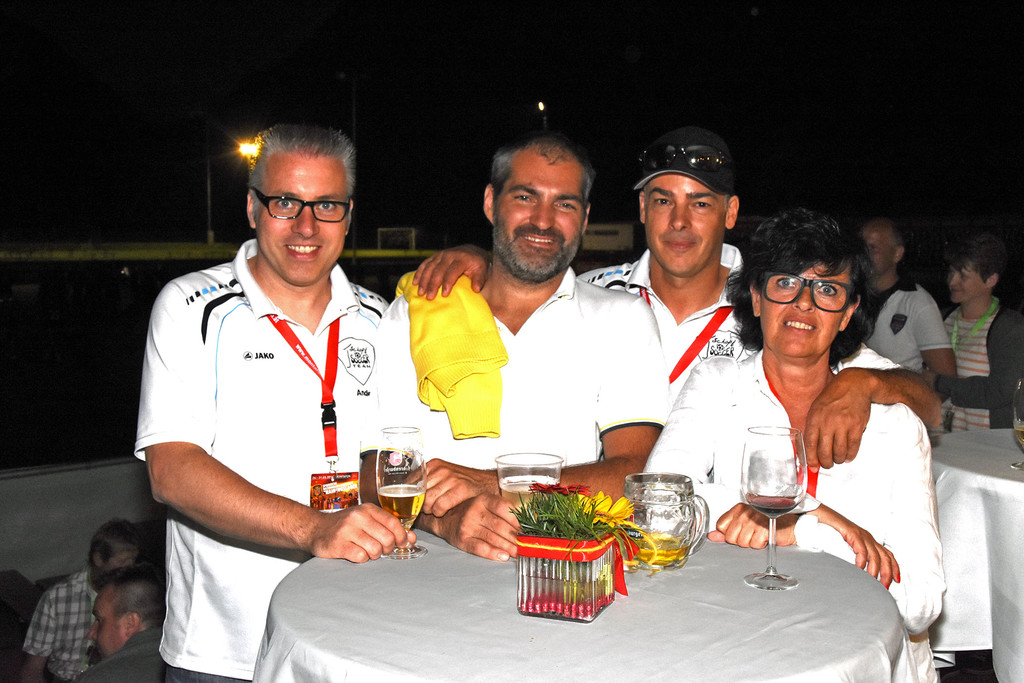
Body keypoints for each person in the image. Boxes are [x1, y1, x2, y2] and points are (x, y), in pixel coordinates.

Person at [413, 126, 942, 469]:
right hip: (605, 519)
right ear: (642, 209)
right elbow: (523, 279)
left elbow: (928, 404)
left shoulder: (774, 303)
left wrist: (863, 382)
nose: (680, 221)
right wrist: (480, 258)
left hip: (736, 524)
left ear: (731, 213)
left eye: (701, 203)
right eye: (663, 200)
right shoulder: (596, 297)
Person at [135, 123, 411, 681]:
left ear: (348, 216)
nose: (306, 226)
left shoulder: (381, 317)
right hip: (224, 652)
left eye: (327, 205)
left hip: (348, 639)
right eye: (285, 202)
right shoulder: (190, 306)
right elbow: (172, 471)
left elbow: (390, 456)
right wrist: (313, 527)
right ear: (252, 208)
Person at [646, 208, 944, 682]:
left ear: (848, 313)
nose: (804, 303)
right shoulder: (717, 384)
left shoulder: (892, 422)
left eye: (827, 289)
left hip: (858, 658)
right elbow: (657, 505)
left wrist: (800, 530)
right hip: (736, 640)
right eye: (785, 282)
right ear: (756, 297)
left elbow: (920, 603)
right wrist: (818, 518)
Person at [371, 131, 668, 562]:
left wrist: (494, 484)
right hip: (429, 571)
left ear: (585, 218)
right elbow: (379, 469)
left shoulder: (622, 318)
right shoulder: (415, 313)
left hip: (564, 569)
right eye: (526, 197)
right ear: (491, 202)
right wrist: (444, 521)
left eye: (564, 204)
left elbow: (634, 474)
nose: (543, 221)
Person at [923, 232, 1024, 430]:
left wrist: (939, 382)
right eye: (951, 272)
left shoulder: (1010, 328)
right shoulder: (940, 319)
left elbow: (1000, 391)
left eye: (963, 276)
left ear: (990, 280)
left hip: (984, 444)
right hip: (941, 440)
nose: (952, 282)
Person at [20, 519, 140, 683]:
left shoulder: (133, 596)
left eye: (132, 562)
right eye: (122, 562)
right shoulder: (57, 598)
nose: (128, 570)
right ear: (98, 559)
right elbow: (33, 668)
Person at [860, 217, 955, 374]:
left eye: (872, 248)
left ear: (897, 254)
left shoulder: (918, 302)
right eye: (861, 247)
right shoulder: (850, 297)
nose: (864, 254)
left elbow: (946, 376)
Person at [77, 563, 165, 683]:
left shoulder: (99, 678)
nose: (91, 633)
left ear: (130, 624)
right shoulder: (183, 665)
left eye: (100, 620)